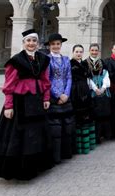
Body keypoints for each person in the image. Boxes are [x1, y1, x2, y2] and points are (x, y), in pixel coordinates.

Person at [0, 29, 54, 180]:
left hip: (36, 102)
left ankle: (35, 166)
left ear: (38, 43)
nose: (31, 43)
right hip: (19, 103)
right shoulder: (16, 60)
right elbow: (8, 85)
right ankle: (20, 169)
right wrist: (8, 106)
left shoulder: (43, 59)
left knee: (36, 134)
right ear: (23, 43)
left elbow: (45, 81)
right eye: (28, 41)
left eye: (34, 41)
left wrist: (46, 98)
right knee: (19, 135)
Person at [46, 33, 75, 163]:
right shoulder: (47, 60)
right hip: (54, 97)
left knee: (67, 125)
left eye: (58, 44)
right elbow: (47, 80)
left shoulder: (66, 59)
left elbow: (69, 77)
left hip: (65, 96)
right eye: (53, 44)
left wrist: (66, 94)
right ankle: (55, 156)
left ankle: (66, 153)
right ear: (49, 46)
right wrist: (58, 95)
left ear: (61, 45)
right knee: (55, 127)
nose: (56, 46)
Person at [70, 44, 96, 154]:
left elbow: (89, 78)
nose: (79, 53)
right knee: (78, 118)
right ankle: (78, 147)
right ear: (73, 52)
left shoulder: (85, 63)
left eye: (81, 52)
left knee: (87, 117)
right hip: (75, 91)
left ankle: (87, 145)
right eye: (77, 51)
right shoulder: (70, 63)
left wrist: (94, 88)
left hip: (85, 90)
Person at [85, 43, 111, 143]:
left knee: (104, 113)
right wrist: (95, 89)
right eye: (92, 50)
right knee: (94, 115)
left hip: (103, 91)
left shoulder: (102, 62)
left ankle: (104, 134)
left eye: (96, 50)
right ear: (89, 51)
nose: (94, 52)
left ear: (98, 51)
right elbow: (87, 78)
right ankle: (95, 137)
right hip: (93, 91)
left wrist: (103, 88)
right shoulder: (85, 63)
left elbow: (106, 75)